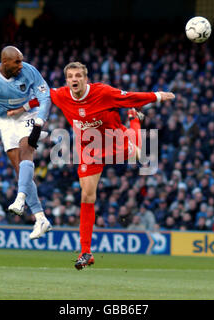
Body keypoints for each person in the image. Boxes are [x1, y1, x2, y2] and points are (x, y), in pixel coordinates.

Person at [50, 62, 175, 269]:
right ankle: (85, 252)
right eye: (71, 76)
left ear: (85, 78)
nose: (74, 79)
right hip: (89, 150)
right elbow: (40, 97)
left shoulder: (103, 92)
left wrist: (158, 96)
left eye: (79, 75)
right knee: (86, 196)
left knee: (140, 156)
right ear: (66, 80)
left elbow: (130, 97)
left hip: (114, 139)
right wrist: (21, 107)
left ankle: (134, 119)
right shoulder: (61, 95)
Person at [0, 46, 52, 239]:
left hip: (29, 114)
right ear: (4, 62)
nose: (20, 65)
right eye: (17, 61)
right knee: (20, 171)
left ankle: (20, 198)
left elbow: (45, 95)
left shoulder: (29, 71)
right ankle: (41, 218)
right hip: (6, 121)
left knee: (26, 149)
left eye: (21, 60)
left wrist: (40, 121)